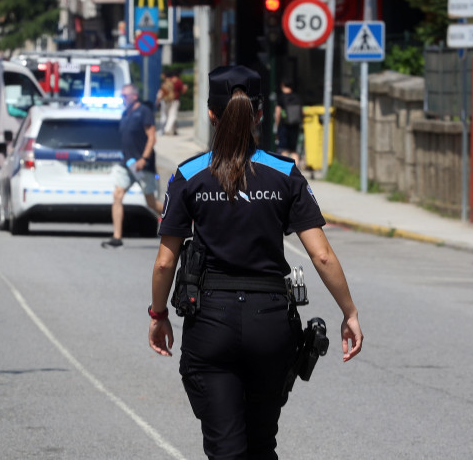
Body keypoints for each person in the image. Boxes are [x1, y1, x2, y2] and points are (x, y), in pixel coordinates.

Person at [147, 65, 362, 459]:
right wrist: (348, 311)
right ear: (260, 114)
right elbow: (321, 254)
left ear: (211, 114)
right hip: (271, 322)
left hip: (210, 321)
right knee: (261, 446)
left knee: (226, 449)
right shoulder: (284, 173)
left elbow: (165, 263)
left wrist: (158, 313)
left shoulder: (189, 174)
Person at [102, 84, 163, 249]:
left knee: (150, 202)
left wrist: (144, 158)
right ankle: (117, 237)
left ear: (134, 96)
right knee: (117, 195)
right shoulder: (125, 114)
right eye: (121, 95)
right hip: (127, 164)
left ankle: (179, 223)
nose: (122, 98)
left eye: (125, 95)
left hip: (143, 165)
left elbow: (152, 138)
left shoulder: (144, 112)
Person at [274, 77, 303, 168]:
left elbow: (277, 113)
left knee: (283, 149)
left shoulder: (281, 98)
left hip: (284, 126)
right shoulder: (297, 97)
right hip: (295, 126)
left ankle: (283, 169)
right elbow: (302, 112)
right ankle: (296, 170)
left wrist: (277, 125)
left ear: (282, 85)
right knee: (293, 150)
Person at [161, 69, 187, 136]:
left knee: (167, 115)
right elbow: (183, 91)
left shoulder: (169, 79)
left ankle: (174, 130)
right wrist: (185, 88)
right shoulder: (178, 81)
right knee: (173, 115)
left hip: (166, 100)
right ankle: (167, 129)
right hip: (175, 100)